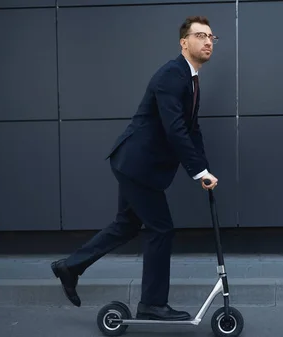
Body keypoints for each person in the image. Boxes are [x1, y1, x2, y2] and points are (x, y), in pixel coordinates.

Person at [50, 16, 219, 321]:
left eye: (211, 37)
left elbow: (192, 130)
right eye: (200, 36)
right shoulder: (172, 75)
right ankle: (152, 304)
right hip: (138, 164)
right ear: (184, 42)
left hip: (137, 165)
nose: (208, 41)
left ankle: (70, 266)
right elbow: (175, 129)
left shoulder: (190, 78)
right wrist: (198, 172)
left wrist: (203, 169)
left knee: (127, 225)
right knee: (161, 229)